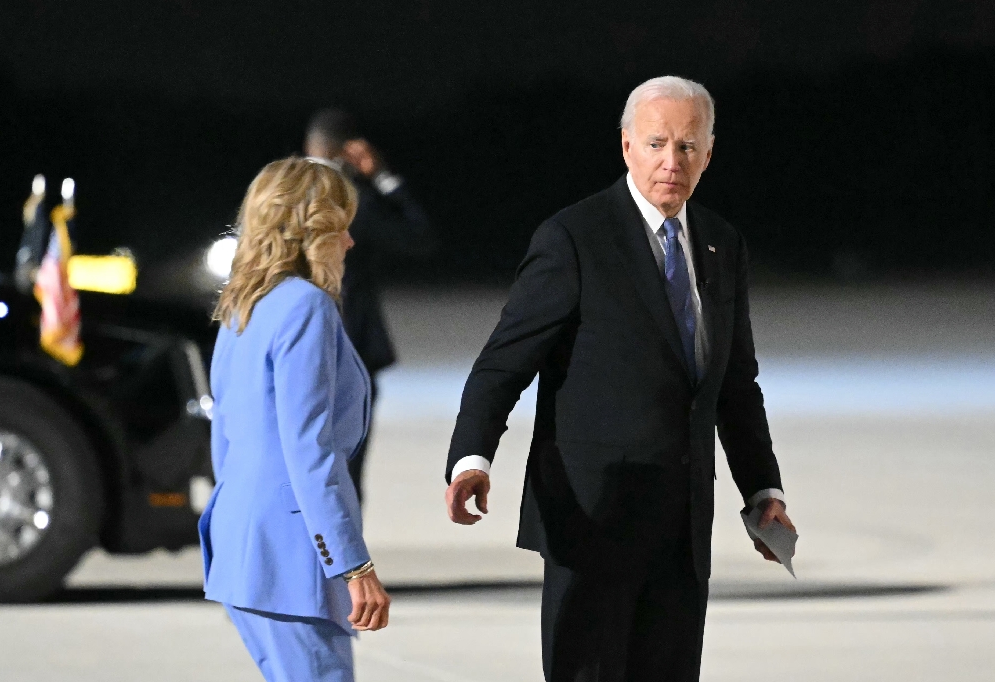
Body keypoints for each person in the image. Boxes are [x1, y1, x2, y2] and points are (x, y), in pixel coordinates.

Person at [443, 76, 797, 682]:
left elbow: (735, 386)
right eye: (657, 143)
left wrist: (763, 491)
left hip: (682, 532)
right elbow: (504, 363)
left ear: (709, 155)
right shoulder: (575, 238)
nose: (671, 161)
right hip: (592, 527)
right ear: (627, 146)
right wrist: (472, 458)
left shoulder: (720, 244)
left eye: (688, 147)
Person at [200, 157, 391, 682]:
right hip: (290, 561)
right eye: (341, 227)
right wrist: (354, 565)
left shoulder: (241, 305)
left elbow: (225, 440)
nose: (350, 243)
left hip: (243, 549)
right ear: (314, 231)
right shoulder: (305, 307)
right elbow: (310, 450)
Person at [305, 109, 435, 500]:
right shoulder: (349, 199)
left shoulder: (281, 197)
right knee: (346, 472)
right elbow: (420, 237)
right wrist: (382, 176)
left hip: (292, 350)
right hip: (351, 348)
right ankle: (345, 561)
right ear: (349, 149)